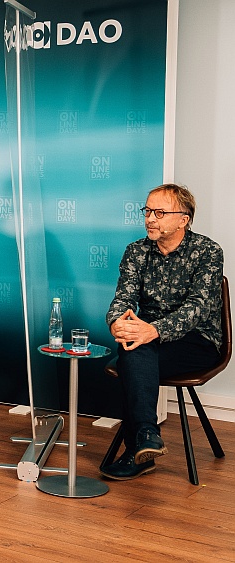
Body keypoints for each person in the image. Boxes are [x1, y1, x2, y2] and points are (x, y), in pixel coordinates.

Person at [101, 183, 224, 480]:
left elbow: (197, 308)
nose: (150, 219)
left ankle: (138, 447)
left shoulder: (208, 251)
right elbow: (123, 298)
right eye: (147, 211)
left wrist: (152, 330)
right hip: (148, 339)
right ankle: (147, 437)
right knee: (134, 346)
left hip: (199, 341)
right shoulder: (136, 251)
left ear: (183, 219)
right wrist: (116, 321)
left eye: (159, 213)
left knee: (132, 354)